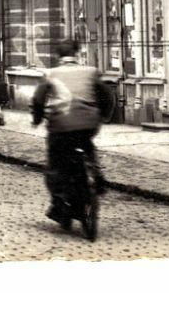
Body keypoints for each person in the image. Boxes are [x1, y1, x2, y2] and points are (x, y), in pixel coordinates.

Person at [30, 38, 114, 229]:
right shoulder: (91, 71)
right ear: (76, 53)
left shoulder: (50, 74)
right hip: (89, 124)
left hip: (60, 126)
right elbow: (107, 94)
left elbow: (37, 99)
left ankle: (60, 204)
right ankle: (96, 173)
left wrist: (37, 119)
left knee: (55, 164)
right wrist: (104, 115)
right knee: (86, 144)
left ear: (58, 56)